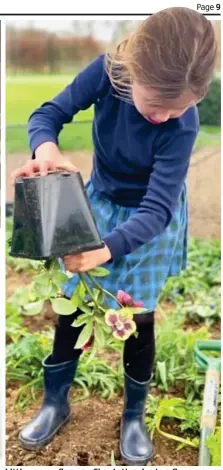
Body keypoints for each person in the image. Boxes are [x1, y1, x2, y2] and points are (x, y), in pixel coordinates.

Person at [12, 7, 217, 465]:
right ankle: (55, 402)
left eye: (177, 107)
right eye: (155, 104)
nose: (164, 116)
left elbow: (157, 209)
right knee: (72, 309)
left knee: (136, 318)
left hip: (149, 221)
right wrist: (46, 150)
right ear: (133, 72)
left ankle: (133, 415)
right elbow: (49, 114)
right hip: (100, 204)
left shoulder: (181, 124)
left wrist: (104, 249)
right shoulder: (107, 73)